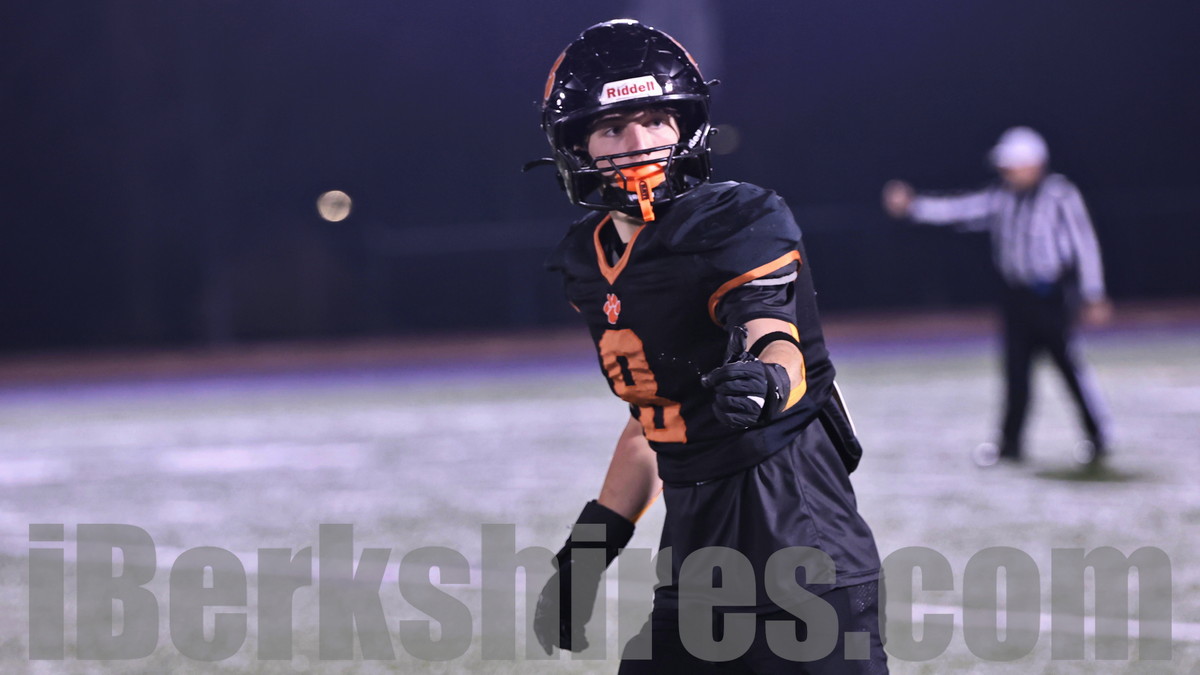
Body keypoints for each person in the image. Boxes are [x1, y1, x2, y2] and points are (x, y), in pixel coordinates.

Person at [529, 19, 886, 673]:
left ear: (685, 125)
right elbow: (652, 421)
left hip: (798, 543)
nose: (638, 143)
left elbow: (772, 335)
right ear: (576, 144)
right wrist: (588, 551)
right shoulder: (588, 260)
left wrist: (766, 381)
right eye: (613, 128)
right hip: (697, 556)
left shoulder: (737, 219)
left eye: (653, 120)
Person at [882, 126, 1113, 467]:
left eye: (1013, 165)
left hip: (1050, 296)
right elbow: (959, 209)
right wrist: (914, 206)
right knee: (1015, 373)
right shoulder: (1001, 197)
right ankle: (1010, 444)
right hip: (1016, 298)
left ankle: (1097, 436)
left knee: (1069, 369)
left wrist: (1094, 293)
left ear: (1033, 164)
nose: (1007, 172)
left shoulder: (1060, 195)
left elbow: (1085, 244)